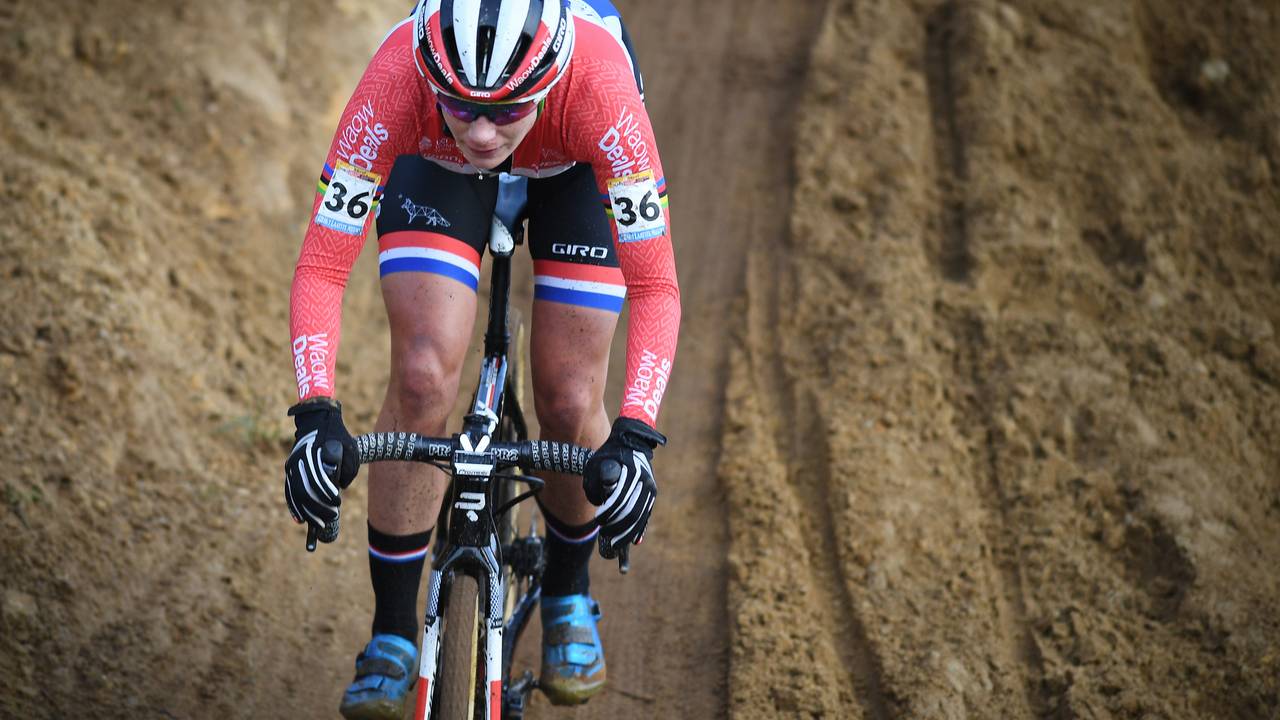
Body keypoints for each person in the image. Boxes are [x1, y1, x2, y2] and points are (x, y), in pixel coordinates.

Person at [281, 1, 680, 717]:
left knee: (568, 392)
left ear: (551, 76)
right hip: (436, 171)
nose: (485, 131)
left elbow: (657, 285)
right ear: (431, 78)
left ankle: (567, 590)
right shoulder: (397, 77)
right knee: (423, 372)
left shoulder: (601, 87)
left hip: (576, 168)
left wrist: (637, 433)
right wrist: (315, 411)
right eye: (461, 108)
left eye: (506, 109)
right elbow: (320, 267)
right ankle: (394, 633)